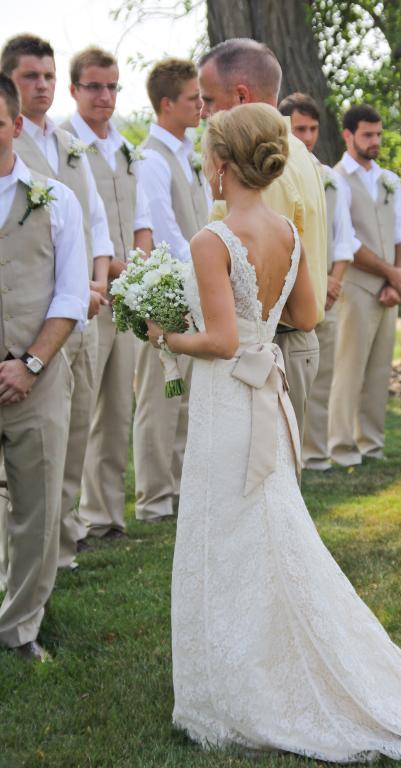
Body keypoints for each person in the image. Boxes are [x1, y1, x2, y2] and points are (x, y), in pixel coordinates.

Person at [146, 102, 401, 762]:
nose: (204, 166)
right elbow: (308, 312)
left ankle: (232, 689)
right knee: (265, 526)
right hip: (267, 394)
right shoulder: (286, 230)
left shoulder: (211, 240)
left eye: (207, 156)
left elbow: (223, 340)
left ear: (222, 166)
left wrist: (165, 334)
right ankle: (263, 666)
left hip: (230, 401)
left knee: (227, 533)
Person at [0, 34, 113, 569]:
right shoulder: (9, 140)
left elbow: (94, 221)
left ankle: (62, 543)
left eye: (47, 76)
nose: (41, 86)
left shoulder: (69, 143)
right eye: (30, 77)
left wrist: (95, 283)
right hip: (28, 317)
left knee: (70, 433)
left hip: (76, 314)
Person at [198, 38, 327, 447]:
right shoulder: (299, 154)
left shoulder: (262, 173)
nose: (202, 112)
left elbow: (256, 281)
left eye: (208, 99)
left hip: (268, 351)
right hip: (291, 341)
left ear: (240, 96)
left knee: (258, 485)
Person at [0, 74, 89, 660]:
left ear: (12, 125)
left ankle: (20, 626)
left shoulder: (55, 197)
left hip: (37, 375)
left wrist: (29, 363)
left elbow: (71, 293)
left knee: (39, 508)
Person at [61, 47, 152, 540]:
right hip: (86, 294)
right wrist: (120, 274)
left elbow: (141, 221)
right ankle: (67, 518)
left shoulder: (126, 149)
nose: (105, 96)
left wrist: (140, 273)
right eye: (94, 86)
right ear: (73, 90)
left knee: (118, 408)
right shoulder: (64, 145)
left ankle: (106, 515)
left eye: (113, 86)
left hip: (127, 296)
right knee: (81, 411)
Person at [133, 58, 209, 522]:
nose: (201, 105)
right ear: (166, 104)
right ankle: (153, 499)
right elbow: (166, 232)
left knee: (188, 398)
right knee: (161, 398)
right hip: (167, 289)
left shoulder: (188, 153)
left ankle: (180, 488)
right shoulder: (150, 160)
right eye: (193, 98)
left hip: (197, 286)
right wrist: (203, 274)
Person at [330, 105, 401, 466]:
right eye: (367, 134)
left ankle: (372, 445)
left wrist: (399, 277)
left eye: (378, 134)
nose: (375, 141)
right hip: (356, 287)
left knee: (380, 371)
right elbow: (346, 240)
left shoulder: (389, 180)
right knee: (349, 370)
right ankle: (342, 448)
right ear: (348, 135)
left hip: (387, 290)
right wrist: (390, 273)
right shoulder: (336, 180)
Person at [279, 92, 355, 471]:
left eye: (311, 129)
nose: (306, 136)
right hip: (293, 296)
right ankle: (291, 452)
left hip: (328, 290)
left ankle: (316, 452)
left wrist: (334, 280)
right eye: (299, 129)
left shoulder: (330, 179)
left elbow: (345, 238)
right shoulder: (277, 177)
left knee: (323, 377)